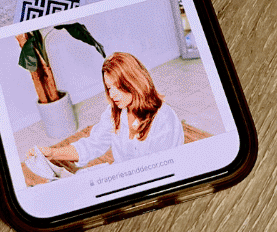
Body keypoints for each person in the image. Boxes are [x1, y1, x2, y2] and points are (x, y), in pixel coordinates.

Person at [30, 51, 183, 169]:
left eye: (118, 87)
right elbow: (91, 145)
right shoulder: (114, 112)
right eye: (109, 88)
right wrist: (53, 154)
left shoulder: (164, 119)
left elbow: (166, 167)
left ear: (134, 83)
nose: (112, 94)